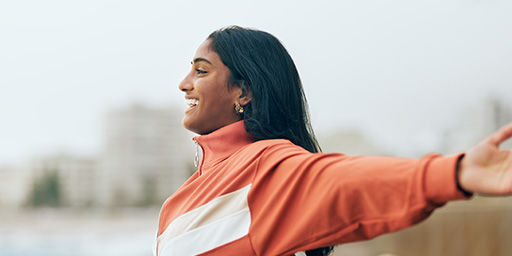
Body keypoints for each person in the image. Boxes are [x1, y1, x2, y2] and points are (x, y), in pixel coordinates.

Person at [154, 26, 512, 256]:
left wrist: (456, 172)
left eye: (201, 71)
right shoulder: (177, 203)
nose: (184, 83)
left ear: (243, 91)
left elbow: (346, 183)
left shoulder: (266, 166)